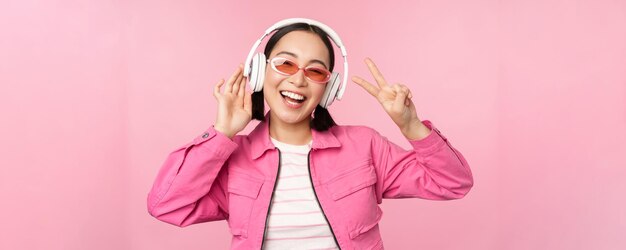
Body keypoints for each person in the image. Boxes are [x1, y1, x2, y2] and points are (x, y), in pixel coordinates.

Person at [147, 18, 474, 250]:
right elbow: (167, 205)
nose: (299, 80)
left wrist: (410, 126)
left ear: (328, 89)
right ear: (261, 72)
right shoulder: (234, 158)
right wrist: (222, 133)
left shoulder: (364, 145)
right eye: (286, 65)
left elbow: (453, 183)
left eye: (315, 70)